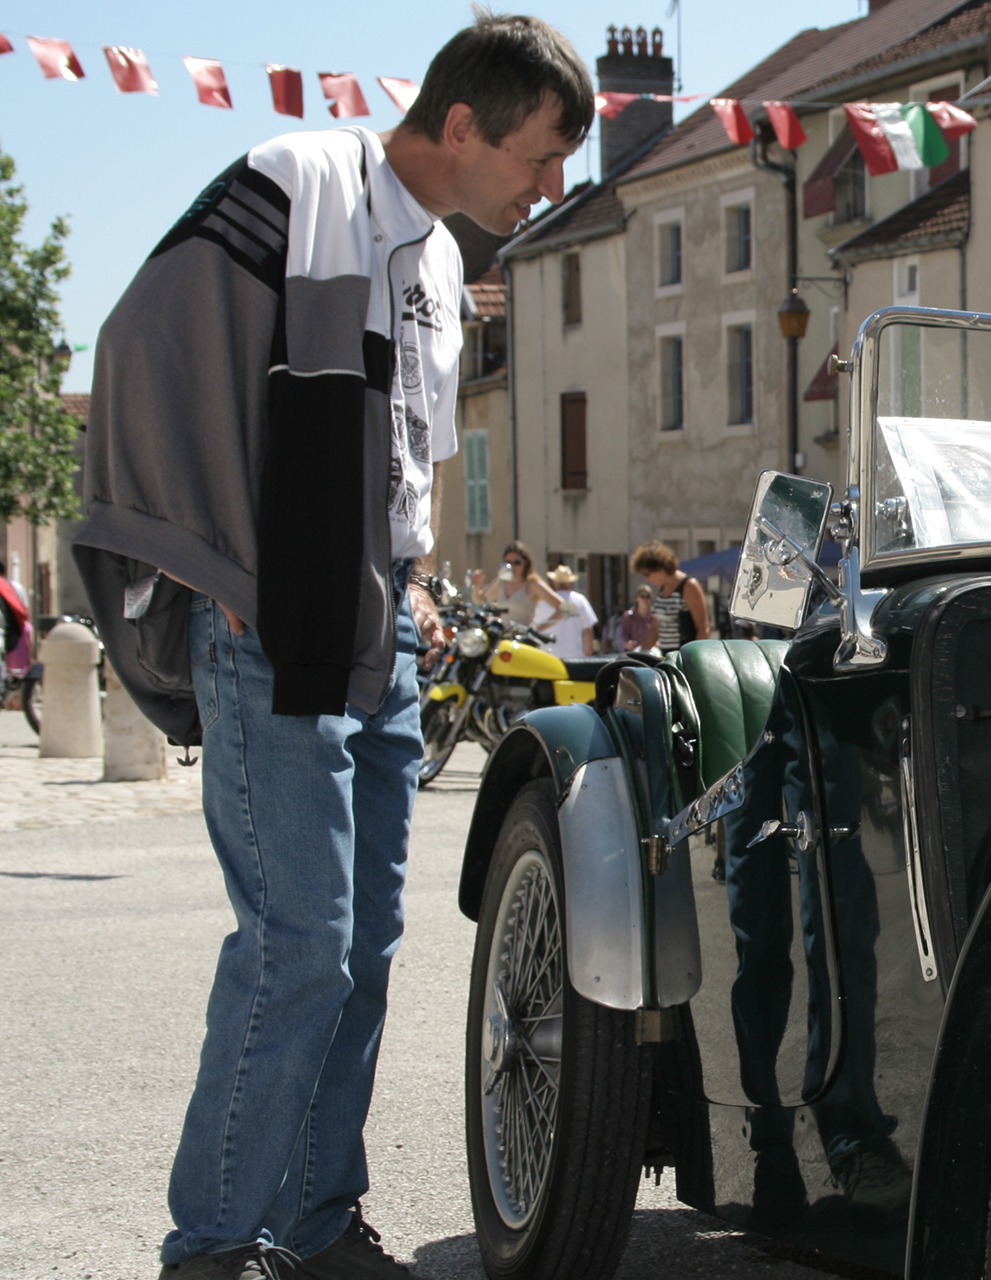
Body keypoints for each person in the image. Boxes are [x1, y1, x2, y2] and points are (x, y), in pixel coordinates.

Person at [70, 14, 592, 1279]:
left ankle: (312, 1223)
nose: (550, 188)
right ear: (461, 125)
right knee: (295, 941)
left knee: (361, 949)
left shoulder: (436, 275)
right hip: (275, 631)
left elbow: (400, 478)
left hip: (380, 643)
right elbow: (140, 347)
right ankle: (212, 1245)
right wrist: (208, 554)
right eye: (538, 156)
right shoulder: (296, 182)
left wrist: (411, 587)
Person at [468, 539, 568, 628]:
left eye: (517, 563)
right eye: (508, 562)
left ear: (526, 564)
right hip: (504, 638)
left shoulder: (532, 584)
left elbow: (563, 608)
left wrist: (539, 629)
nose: (512, 566)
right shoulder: (501, 581)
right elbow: (479, 600)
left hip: (523, 640)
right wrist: (477, 585)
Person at [631, 542, 709, 654]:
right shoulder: (662, 589)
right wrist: (642, 654)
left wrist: (693, 659)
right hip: (667, 655)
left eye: (647, 574)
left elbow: (703, 628)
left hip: (684, 656)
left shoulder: (689, 586)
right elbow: (655, 629)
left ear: (660, 568)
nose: (646, 579)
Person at [538, 564, 598, 658]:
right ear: (570, 583)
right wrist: (588, 654)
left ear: (554, 582)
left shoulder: (543, 602)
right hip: (575, 656)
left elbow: (536, 629)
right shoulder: (580, 600)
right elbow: (588, 630)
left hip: (548, 656)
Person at [612, 585, 660, 655]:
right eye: (642, 597)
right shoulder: (629, 616)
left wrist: (657, 642)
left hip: (652, 651)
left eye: (648, 597)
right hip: (634, 652)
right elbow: (624, 636)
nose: (645, 599)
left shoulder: (656, 615)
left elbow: (660, 634)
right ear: (637, 598)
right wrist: (628, 644)